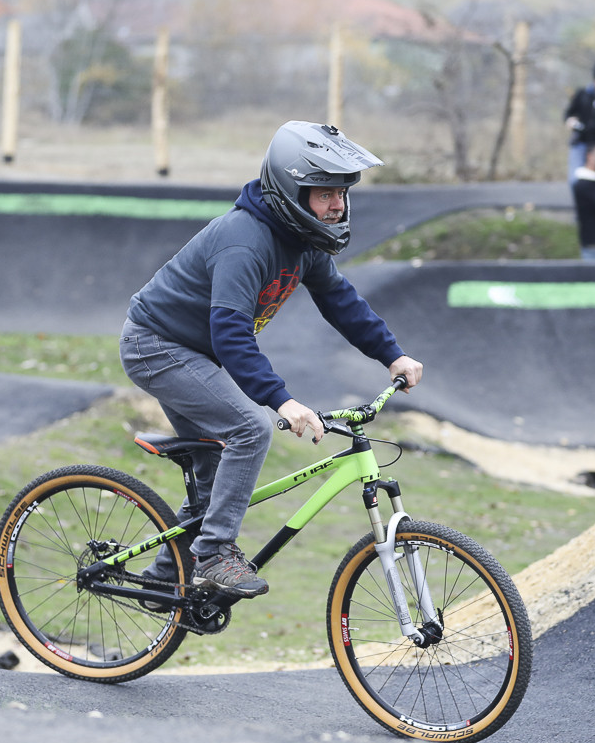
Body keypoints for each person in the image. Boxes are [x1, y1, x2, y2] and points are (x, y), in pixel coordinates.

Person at [119, 121, 423, 599]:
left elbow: (339, 300)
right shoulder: (245, 241)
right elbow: (230, 334)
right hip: (157, 346)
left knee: (212, 481)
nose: (338, 205)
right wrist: (281, 401)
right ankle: (213, 554)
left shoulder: (302, 240)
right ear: (291, 191)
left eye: (342, 193)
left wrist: (392, 354)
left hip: (194, 352)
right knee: (249, 429)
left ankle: (163, 580)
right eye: (325, 194)